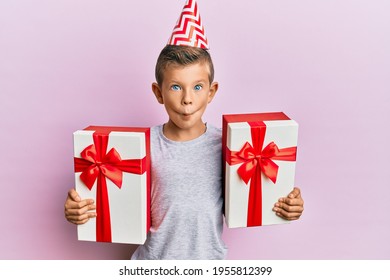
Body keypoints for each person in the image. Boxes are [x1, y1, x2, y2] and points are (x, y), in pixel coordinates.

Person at [64, 0, 304, 260]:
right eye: (176, 87)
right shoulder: (139, 147)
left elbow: (255, 197)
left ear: (211, 92)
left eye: (198, 87)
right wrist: (78, 210)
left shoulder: (232, 148)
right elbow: (108, 200)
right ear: (158, 93)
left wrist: (287, 205)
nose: (187, 99)